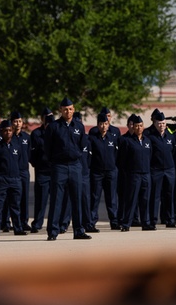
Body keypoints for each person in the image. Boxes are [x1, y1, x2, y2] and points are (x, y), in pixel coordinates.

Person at [43, 99, 92, 240]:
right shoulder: (53, 127)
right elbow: (47, 148)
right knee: (56, 200)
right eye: (65, 109)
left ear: (73, 109)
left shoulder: (79, 126)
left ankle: (79, 231)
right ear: (60, 110)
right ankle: (53, 231)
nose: (68, 111)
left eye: (70, 109)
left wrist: (76, 157)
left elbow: (83, 144)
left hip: (76, 166)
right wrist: (54, 162)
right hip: (59, 166)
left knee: (77, 199)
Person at [0, 120, 27, 237]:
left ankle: (18, 228)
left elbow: (20, 161)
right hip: (1, 180)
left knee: (15, 206)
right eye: (5, 131)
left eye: (10, 130)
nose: (8, 133)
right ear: (1, 132)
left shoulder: (17, 146)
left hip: (15, 179)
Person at [117, 114, 152, 232]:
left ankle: (146, 223)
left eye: (140, 126)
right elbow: (122, 160)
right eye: (136, 126)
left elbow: (150, 156)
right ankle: (126, 223)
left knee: (145, 200)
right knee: (131, 200)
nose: (138, 128)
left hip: (146, 174)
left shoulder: (147, 141)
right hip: (133, 175)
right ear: (133, 127)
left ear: (143, 127)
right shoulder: (128, 141)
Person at [87, 110, 120, 230]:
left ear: (108, 124)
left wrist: (114, 167)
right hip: (96, 172)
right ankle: (91, 222)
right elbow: (89, 156)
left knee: (111, 198)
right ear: (97, 124)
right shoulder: (92, 138)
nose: (103, 126)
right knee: (94, 198)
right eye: (101, 124)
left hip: (111, 171)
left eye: (105, 124)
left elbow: (117, 154)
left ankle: (114, 221)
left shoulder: (113, 138)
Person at [145, 108, 176, 229]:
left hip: (169, 170)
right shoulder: (150, 136)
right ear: (155, 124)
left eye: (163, 123)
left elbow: (173, 150)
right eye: (159, 124)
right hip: (156, 170)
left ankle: (170, 220)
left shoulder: (170, 136)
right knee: (155, 196)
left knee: (169, 195)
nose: (161, 126)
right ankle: (153, 221)